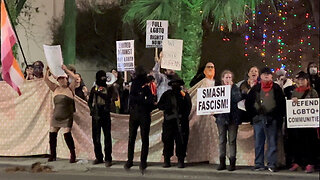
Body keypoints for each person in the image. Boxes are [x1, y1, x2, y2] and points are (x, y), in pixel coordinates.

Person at [245, 67, 286, 172]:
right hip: (258, 119)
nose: (266, 75)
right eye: (264, 74)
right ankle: (259, 164)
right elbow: (248, 103)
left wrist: (276, 116)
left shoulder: (276, 88)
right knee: (259, 142)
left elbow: (281, 104)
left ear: (271, 76)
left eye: (268, 74)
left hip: (272, 119)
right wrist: (253, 115)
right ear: (261, 76)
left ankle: (271, 164)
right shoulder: (255, 88)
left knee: (272, 142)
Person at [124, 66, 155, 172]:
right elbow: (133, 98)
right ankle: (133, 160)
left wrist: (141, 98)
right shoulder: (138, 85)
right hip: (138, 113)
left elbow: (149, 99)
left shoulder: (145, 85)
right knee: (135, 138)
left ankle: (139, 161)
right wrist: (142, 97)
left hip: (141, 114)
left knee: (140, 138)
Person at [44, 65, 77, 163]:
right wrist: (47, 70)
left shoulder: (70, 88)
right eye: (60, 79)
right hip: (56, 115)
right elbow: (45, 80)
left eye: (64, 79)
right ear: (57, 80)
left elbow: (75, 78)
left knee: (67, 134)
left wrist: (65, 70)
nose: (62, 81)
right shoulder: (55, 88)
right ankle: (53, 155)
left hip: (67, 115)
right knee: (52, 134)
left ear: (67, 79)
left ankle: (73, 154)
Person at [288, 71, 319, 173]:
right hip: (298, 123)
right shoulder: (294, 92)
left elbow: (315, 105)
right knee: (297, 142)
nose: (301, 81)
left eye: (303, 79)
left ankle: (310, 163)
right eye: (299, 80)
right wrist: (293, 100)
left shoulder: (312, 92)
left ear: (307, 81)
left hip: (309, 123)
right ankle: (298, 162)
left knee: (310, 143)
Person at [158, 77, 192, 168]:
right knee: (167, 140)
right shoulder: (167, 94)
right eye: (173, 84)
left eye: (177, 84)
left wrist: (183, 118)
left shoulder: (184, 95)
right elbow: (160, 106)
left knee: (181, 141)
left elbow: (188, 108)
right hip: (169, 122)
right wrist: (168, 107)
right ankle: (167, 160)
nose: (175, 86)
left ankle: (181, 160)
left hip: (181, 122)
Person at [88, 70, 118, 167]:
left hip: (105, 113)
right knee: (96, 137)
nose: (103, 79)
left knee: (107, 137)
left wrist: (99, 93)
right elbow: (89, 100)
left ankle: (108, 158)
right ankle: (99, 157)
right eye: (101, 77)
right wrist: (91, 109)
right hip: (96, 113)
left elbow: (110, 98)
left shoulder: (109, 88)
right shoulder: (94, 88)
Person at [215, 70, 242, 171]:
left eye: (230, 77)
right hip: (221, 118)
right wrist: (214, 112)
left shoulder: (235, 88)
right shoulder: (218, 89)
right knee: (222, 140)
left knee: (232, 140)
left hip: (233, 118)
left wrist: (231, 89)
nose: (228, 79)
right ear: (222, 79)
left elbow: (238, 98)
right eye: (226, 77)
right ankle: (222, 162)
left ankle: (232, 162)